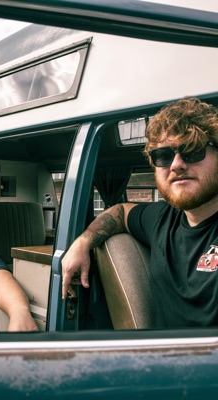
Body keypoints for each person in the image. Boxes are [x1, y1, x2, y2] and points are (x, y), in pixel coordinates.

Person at [62, 97, 218, 328]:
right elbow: (121, 211)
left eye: (193, 150)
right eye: (163, 156)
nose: (176, 164)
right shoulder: (162, 218)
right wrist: (82, 243)